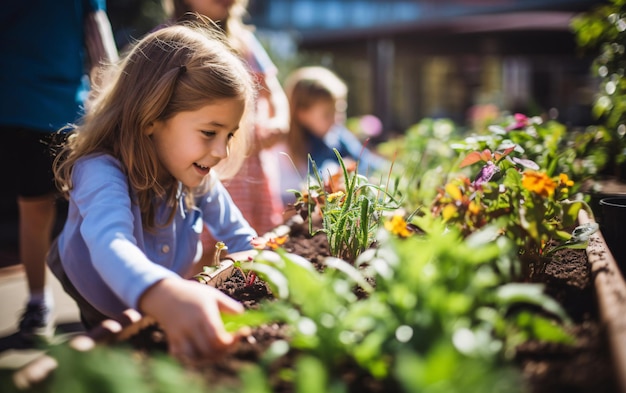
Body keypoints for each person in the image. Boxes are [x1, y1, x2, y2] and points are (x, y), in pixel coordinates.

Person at [47, 21, 257, 363]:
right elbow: (110, 243)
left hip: (161, 282)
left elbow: (239, 236)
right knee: (117, 351)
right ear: (151, 117)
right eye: (209, 132)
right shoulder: (99, 169)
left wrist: (267, 265)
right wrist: (162, 292)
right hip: (96, 288)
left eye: (229, 135)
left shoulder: (195, 172)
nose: (222, 151)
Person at [0, 1, 118, 337]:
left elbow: (99, 43)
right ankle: (40, 302)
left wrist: (111, 103)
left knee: (84, 208)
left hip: (58, 113)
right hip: (14, 108)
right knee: (36, 210)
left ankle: (101, 299)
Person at [162, 0, 289, 236]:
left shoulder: (244, 41)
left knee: (253, 241)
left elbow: (273, 92)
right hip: (200, 168)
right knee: (205, 249)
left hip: (250, 168)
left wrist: (279, 121)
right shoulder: (166, 41)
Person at [273, 66, 389, 206]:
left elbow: (368, 162)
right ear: (301, 113)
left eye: (340, 111)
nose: (336, 119)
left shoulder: (337, 135)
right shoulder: (286, 149)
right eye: (327, 114)